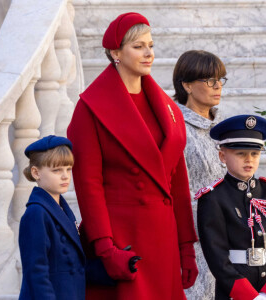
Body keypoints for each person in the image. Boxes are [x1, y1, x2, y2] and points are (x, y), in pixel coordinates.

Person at [67, 12, 197, 300]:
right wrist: (105, 247)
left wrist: (186, 246)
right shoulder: (90, 108)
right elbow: (88, 184)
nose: (149, 53)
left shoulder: (169, 109)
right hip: (123, 242)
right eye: (138, 46)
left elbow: (176, 181)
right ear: (116, 52)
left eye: (150, 45)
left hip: (162, 238)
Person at [196, 115, 266, 300]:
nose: (249, 159)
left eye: (254, 153)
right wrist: (250, 296)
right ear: (222, 156)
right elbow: (217, 256)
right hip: (235, 292)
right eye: (240, 153)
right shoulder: (214, 198)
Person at [173, 50, 227, 299]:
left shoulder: (224, 129)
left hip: (227, 237)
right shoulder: (175, 128)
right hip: (192, 239)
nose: (217, 86)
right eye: (209, 80)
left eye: (220, 80)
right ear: (187, 85)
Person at [18, 135, 86, 299]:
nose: (65, 176)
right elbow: (36, 273)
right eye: (56, 170)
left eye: (68, 168)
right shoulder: (36, 213)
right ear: (36, 172)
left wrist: (117, 268)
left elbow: (74, 266)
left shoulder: (63, 210)